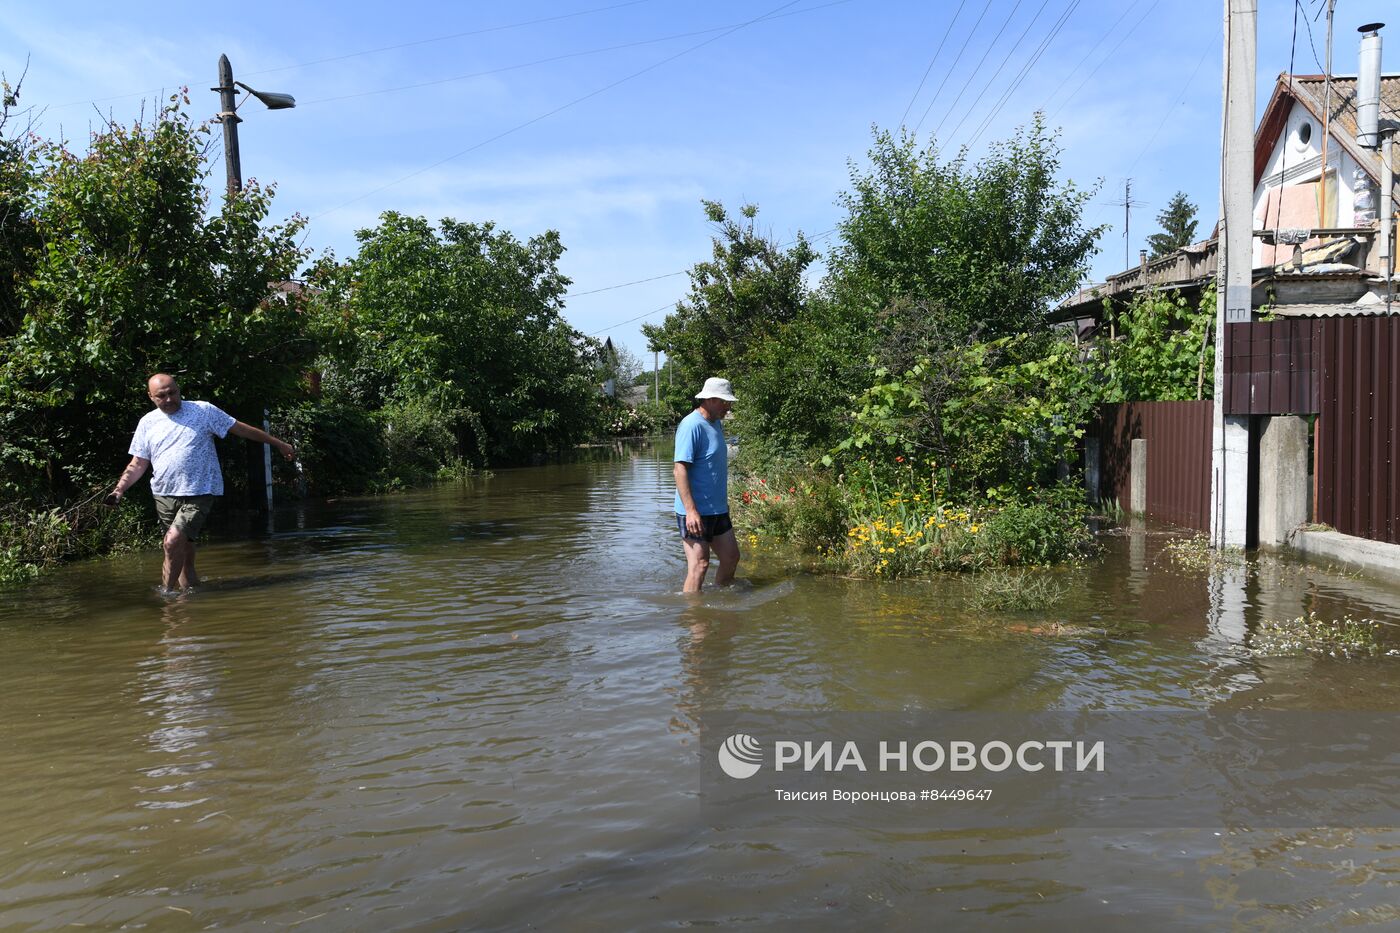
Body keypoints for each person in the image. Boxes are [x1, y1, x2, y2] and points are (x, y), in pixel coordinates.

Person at [107, 373, 295, 593]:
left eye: (172, 393)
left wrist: (277, 443)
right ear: (150, 397)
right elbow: (138, 463)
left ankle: (167, 597)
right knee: (182, 549)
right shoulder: (147, 423)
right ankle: (191, 595)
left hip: (200, 490)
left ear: (178, 389)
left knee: (171, 541)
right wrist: (119, 490)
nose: (169, 399)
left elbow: (240, 428)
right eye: (162, 396)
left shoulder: (202, 411)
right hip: (164, 493)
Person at [673, 377, 740, 593]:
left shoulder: (716, 422)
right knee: (700, 565)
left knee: (731, 558)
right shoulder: (691, 425)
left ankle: (720, 600)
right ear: (710, 399)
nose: (728, 407)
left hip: (717, 509)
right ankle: (694, 617)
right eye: (724, 402)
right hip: (694, 511)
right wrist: (691, 511)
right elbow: (679, 469)